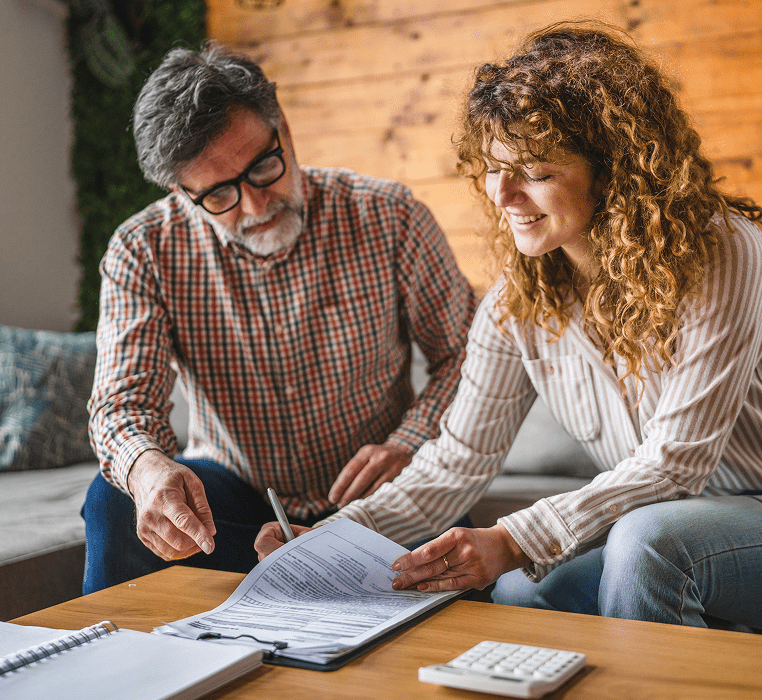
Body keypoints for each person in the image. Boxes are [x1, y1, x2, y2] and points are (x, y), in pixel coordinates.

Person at [256, 21, 762, 632]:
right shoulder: (517, 302)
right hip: (678, 523)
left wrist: (513, 538)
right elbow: (456, 463)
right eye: (494, 167)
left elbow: (677, 464)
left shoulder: (721, 250)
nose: (503, 196)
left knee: (647, 544)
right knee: (521, 589)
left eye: (535, 173)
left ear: (614, 171)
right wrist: (334, 537)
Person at [81, 43, 477, 594]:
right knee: (113, 501)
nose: (253, 205)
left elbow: (466, 354)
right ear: (181, 192)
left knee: (457, 571)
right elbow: (122, 404)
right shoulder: (143, 249)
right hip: (239, 511)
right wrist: (147, 471)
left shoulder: (390, 215)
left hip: (384, 497)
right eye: (219, 193)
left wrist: (410, 440)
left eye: (264, 167)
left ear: (284, 130)